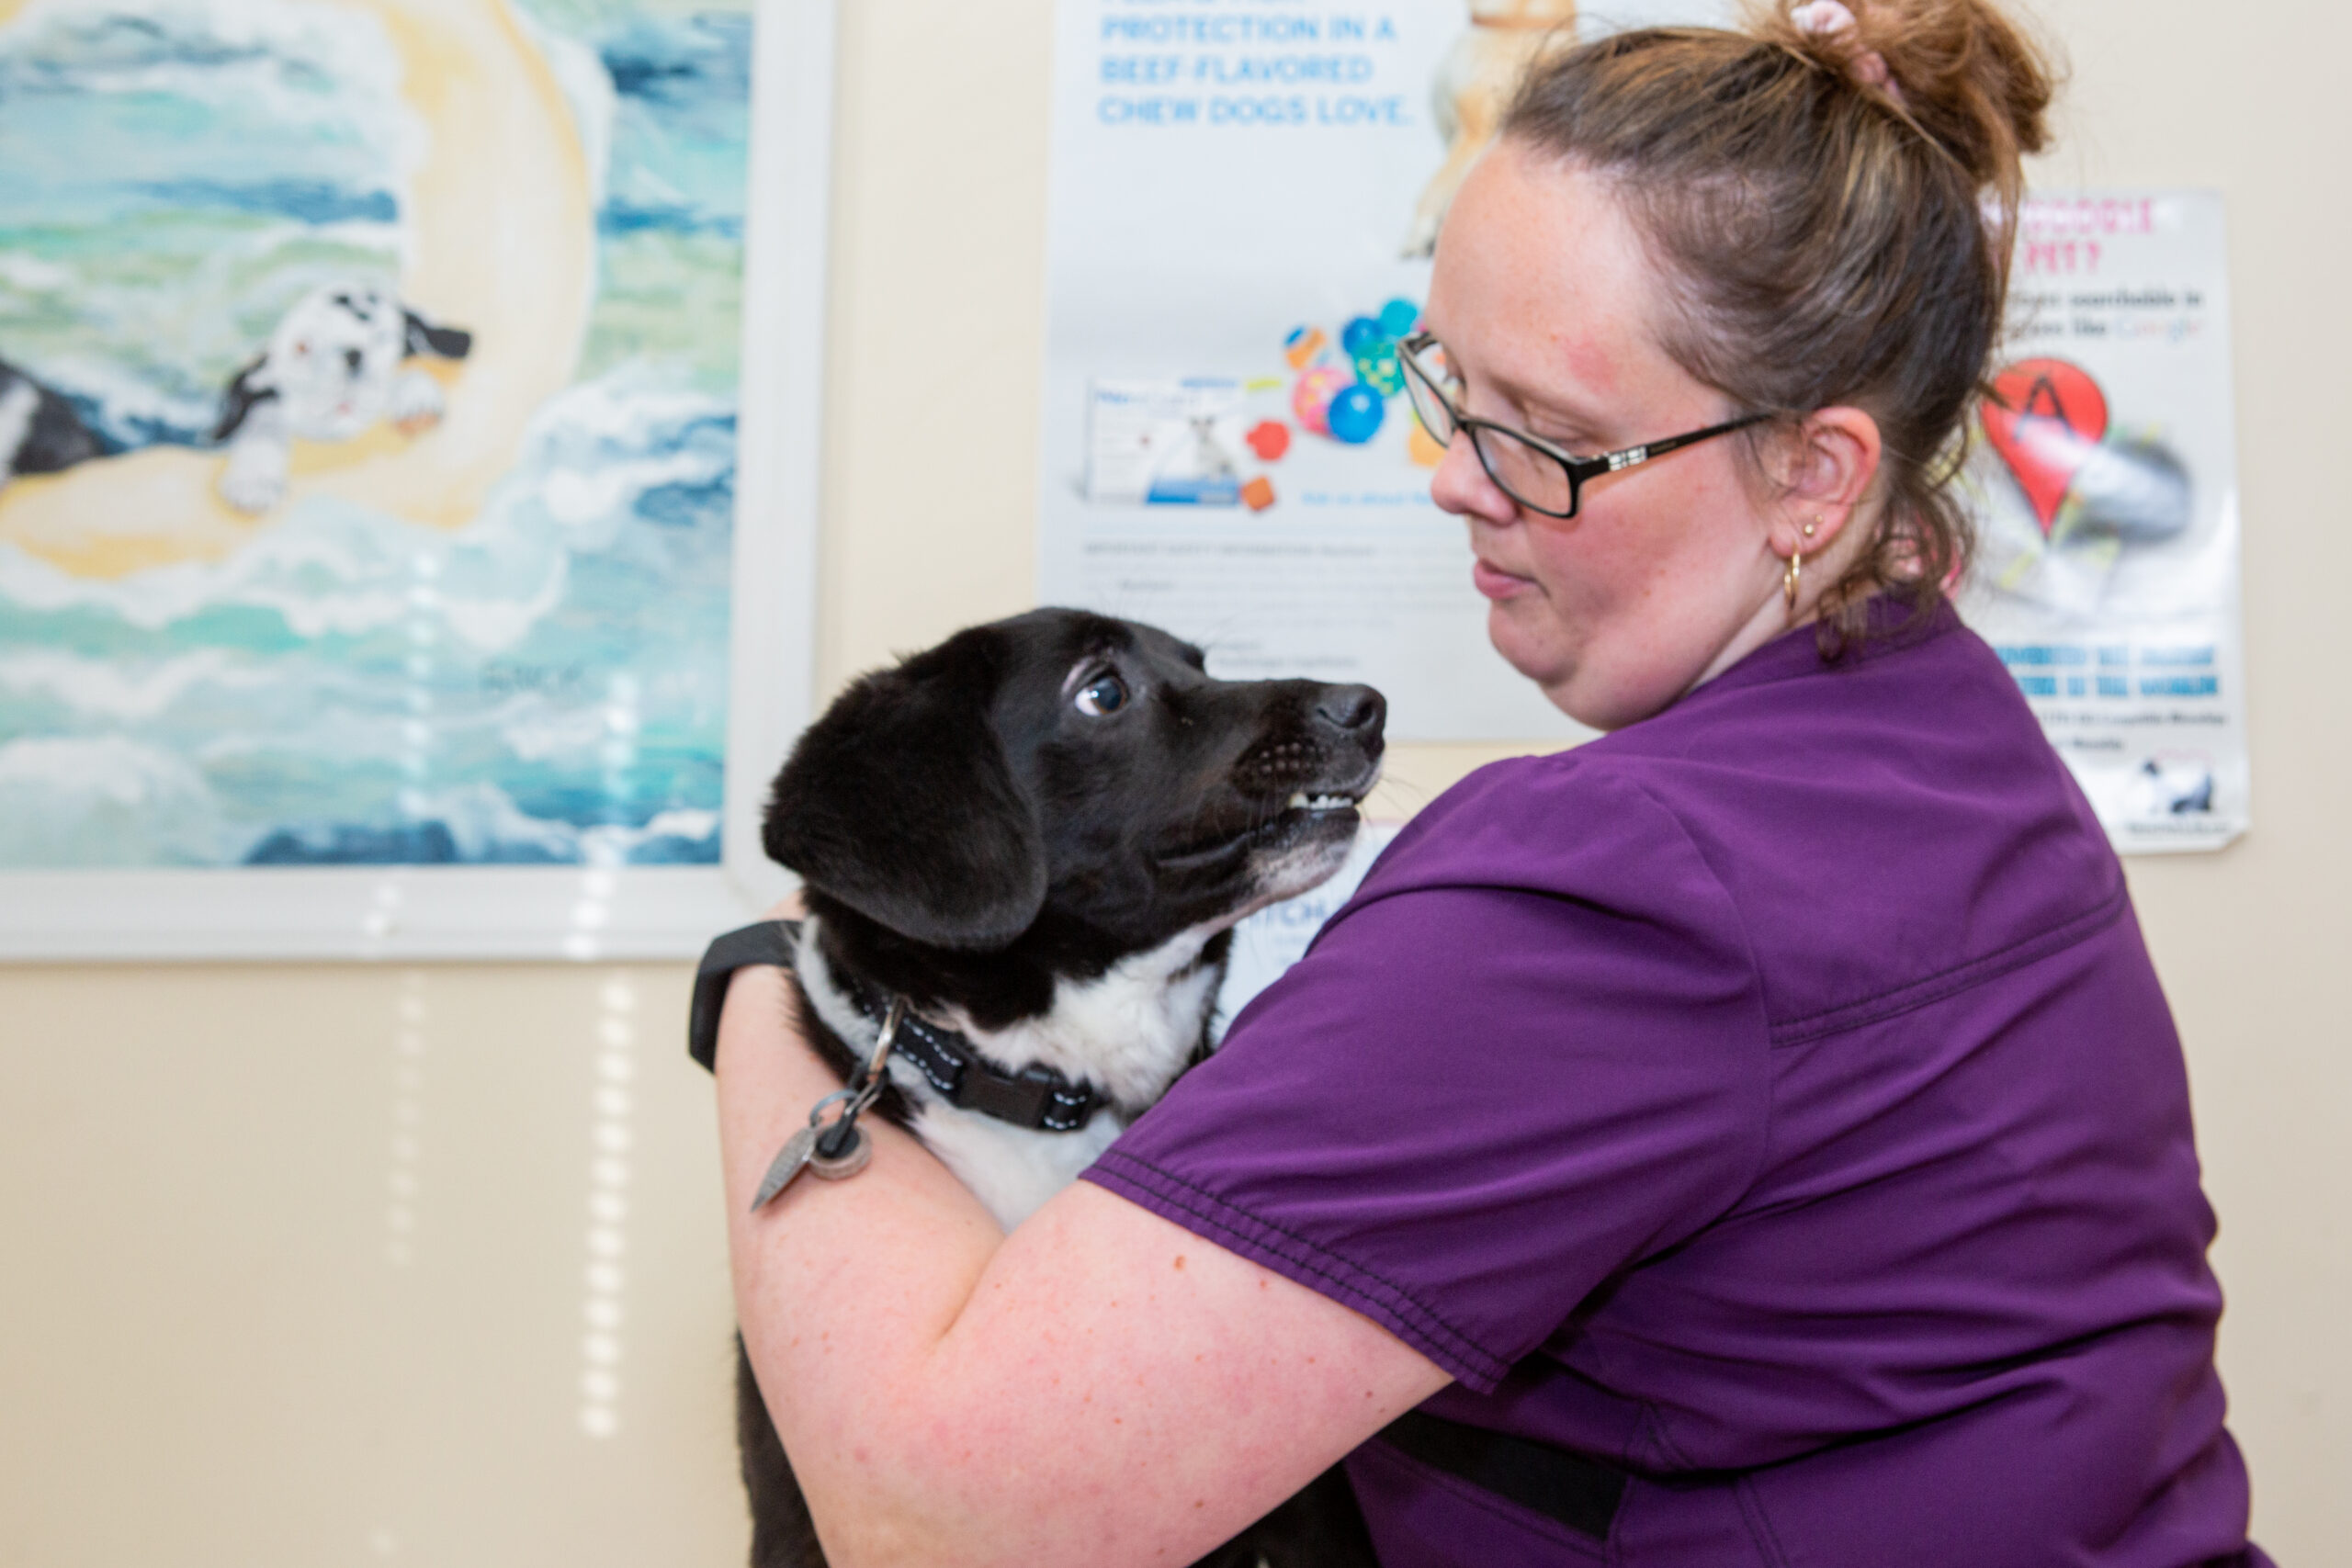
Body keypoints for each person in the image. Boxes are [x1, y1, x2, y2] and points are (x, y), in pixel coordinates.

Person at [712, 1, 2269, 1562]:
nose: (1457, 477)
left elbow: (933, 1516)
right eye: (1453, 389)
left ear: (1816, 476)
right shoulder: (1951, 739)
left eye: (1550, 437)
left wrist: (776, 991)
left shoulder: (1617, 886)